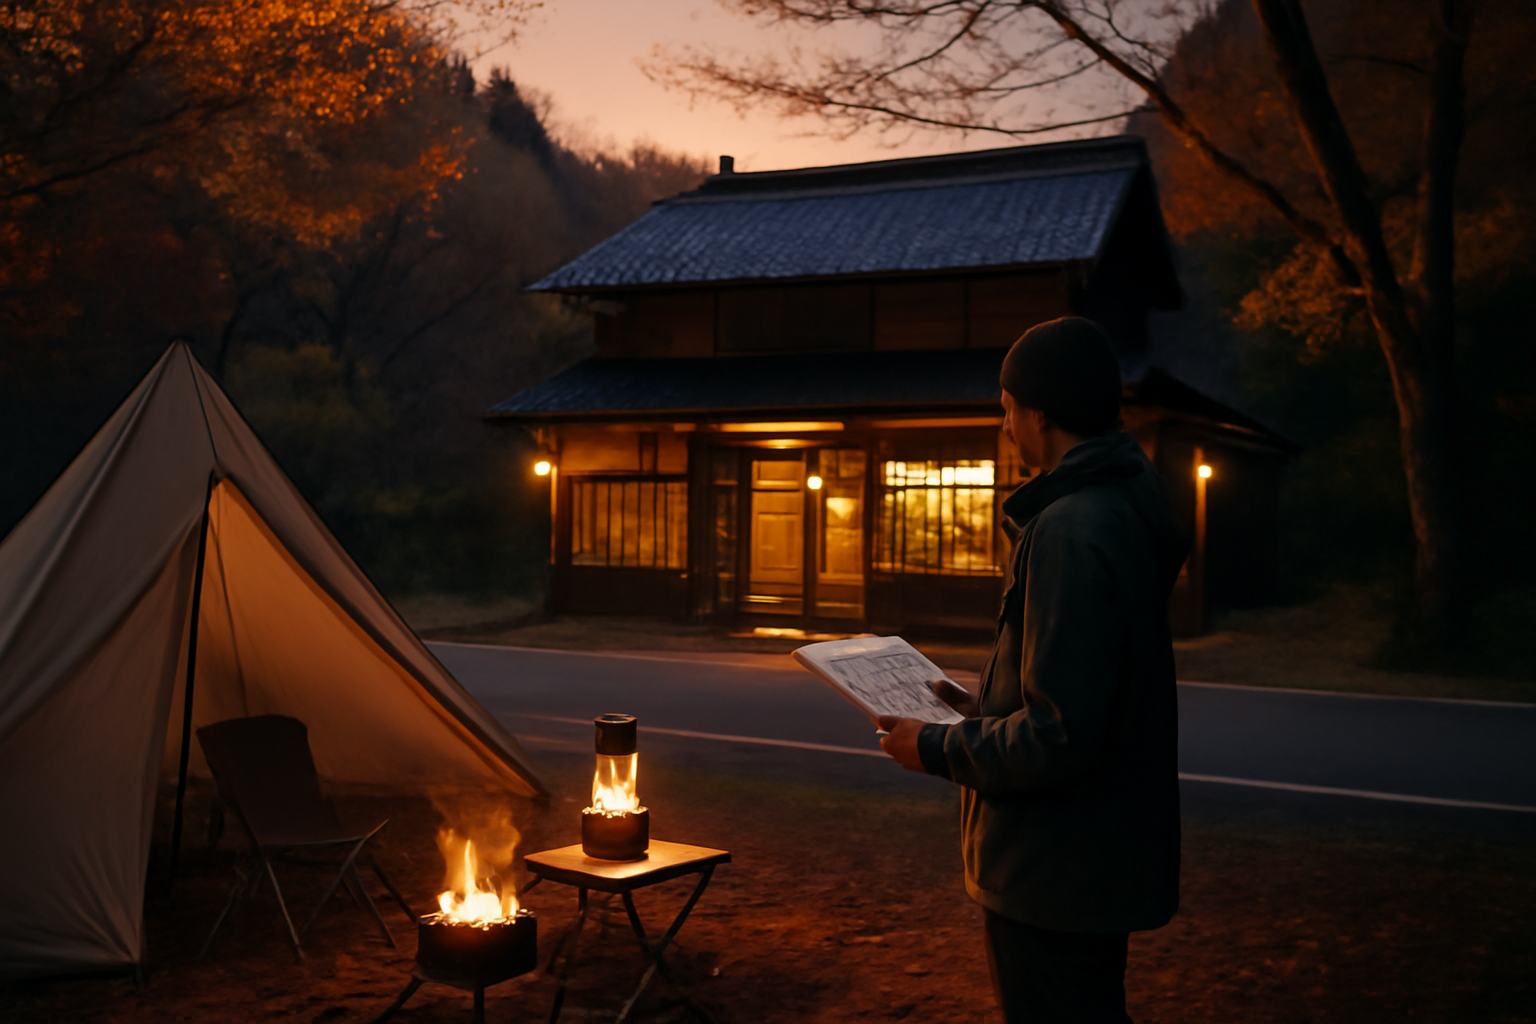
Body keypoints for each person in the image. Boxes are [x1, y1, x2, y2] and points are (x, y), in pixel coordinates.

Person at [876, 316, 1188, 1024]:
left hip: (1052, 868)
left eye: (1007, 404)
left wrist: (932, 746)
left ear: (1039, 414)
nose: (1003, 418)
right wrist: (974, 704)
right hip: (1096, 858)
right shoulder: (1125, 507)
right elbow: (1080, 683)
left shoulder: (1070, 532)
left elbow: (1058, 733)